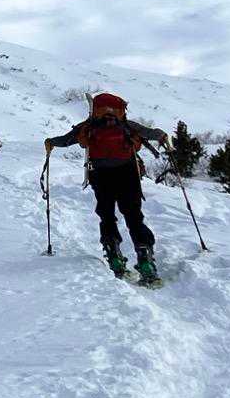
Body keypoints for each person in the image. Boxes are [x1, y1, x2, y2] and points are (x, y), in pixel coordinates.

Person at [45, 92, 172, 284]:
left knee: (107, 215)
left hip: (99, 174)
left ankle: (114, 255)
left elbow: (66, 139)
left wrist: (50, 142)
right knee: (134, 216)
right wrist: (163, 137)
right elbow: (151, 133)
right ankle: (145, 257)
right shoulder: (127, 125)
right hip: (128, 173)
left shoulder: (88, 126)